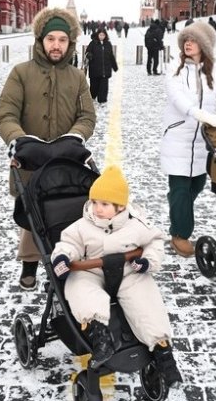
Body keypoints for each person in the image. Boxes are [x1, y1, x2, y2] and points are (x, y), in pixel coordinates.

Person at [50, 165, 183, 389]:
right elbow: (69, 244)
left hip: (127, 271)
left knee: (146, 298)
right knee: (79, 286)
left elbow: (154, 241)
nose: (97, 209)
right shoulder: (82, 226)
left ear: (120, 206)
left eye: (104, 204)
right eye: (94, 202)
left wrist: (148, 260)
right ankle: (99, 335)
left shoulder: (136, 224)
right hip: (91, 271)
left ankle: (163, 352)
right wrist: (62, 257)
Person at [0, 7, 97, 290]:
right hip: (31, 158)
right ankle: (29, 262)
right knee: (33, 212)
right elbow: (6, 114)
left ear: (70, 43)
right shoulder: (21, 73)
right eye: (50, 38)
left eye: (62, 40)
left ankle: (68, 258)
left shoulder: (77, 77)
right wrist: (19, 140)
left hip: (66, 157)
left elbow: (87, 116)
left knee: (68, 207)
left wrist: (76, 136)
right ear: (41, 40)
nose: (56, 45)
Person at [160, 21, 216, 257]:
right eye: (186, 40)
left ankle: (178, 209)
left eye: (194, 40)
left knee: (197, 184)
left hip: (205, 140)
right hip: (179, 135)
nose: (188, 43)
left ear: (206, 45)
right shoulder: (174, 68)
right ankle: (180, 233)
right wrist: (198, 113)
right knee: (180, 187)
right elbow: (177, 97)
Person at [86, 27, 118, 104]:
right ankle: (93, 96)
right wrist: (89, 55)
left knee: (103, 87)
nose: (101, 37)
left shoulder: (108, 44)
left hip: (105, 70)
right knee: (94, 87)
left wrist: (114, 66)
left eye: (103, 35)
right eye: (100, 35)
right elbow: (87, 52)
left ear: (105, 35)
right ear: (97, 35)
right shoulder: (93, 43)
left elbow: (111, 56)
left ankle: (102, 99)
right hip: (95, 69)